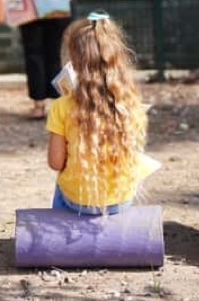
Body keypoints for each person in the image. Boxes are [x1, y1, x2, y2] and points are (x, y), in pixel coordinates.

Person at [46, 13, 150, 215]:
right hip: (120, 201)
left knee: (62, 185)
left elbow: (55, 162)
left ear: (73, 61)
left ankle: (62, 225)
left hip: (77, 201)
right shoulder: (130, 103)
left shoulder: (61, 106)